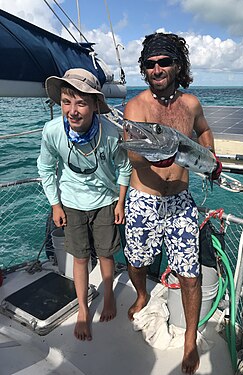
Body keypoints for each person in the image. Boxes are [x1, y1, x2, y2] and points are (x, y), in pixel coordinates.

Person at [123, 32, 221, 374]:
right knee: (136, 261)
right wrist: (154, 161)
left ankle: (190, 340)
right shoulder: (135, 106)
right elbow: (134, 154)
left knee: (189, 274)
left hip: (181, 202)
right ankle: (141, 294)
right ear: (144, 69)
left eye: (164, 62)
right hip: (144, 201)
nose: (157, 68)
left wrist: (210, 156)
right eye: (150, 64)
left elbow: (204, 132)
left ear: (177, 66)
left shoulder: (191, 105)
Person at [37, 68, 132, 341]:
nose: (73, 110)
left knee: (105, 253)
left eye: (81, 103)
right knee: (79, 257)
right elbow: (45, 167)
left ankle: (110, 294)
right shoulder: (52, 130)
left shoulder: (112, 133)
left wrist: (120, 203)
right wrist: (55, 205)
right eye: (67, 102)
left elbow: (124, 167)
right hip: (71, 202)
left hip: (105, 199)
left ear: (94, 105)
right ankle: (82, 308)